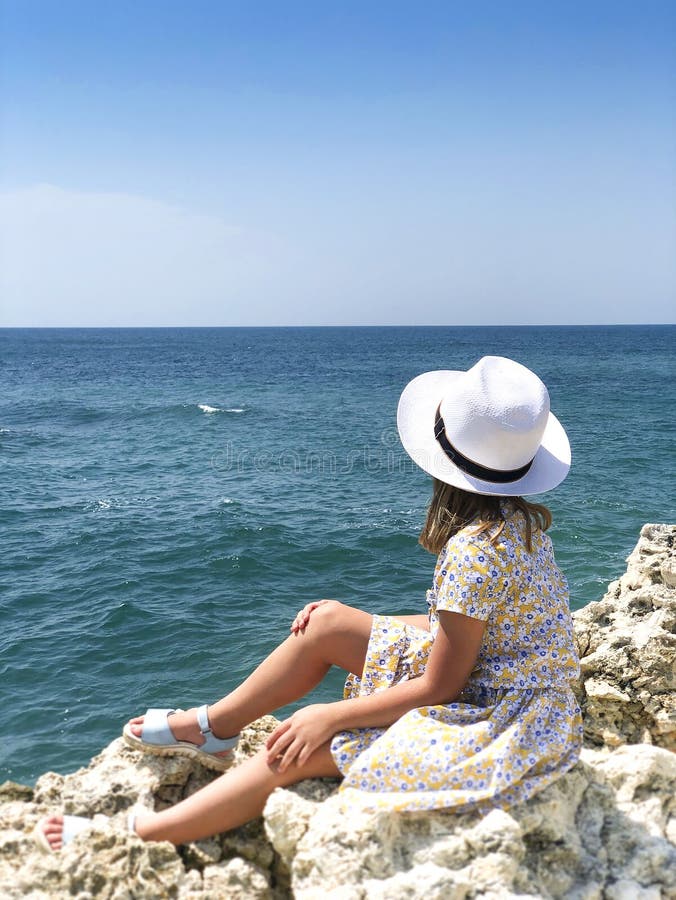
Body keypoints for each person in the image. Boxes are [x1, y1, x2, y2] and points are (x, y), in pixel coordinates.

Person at [36, 355, 583, 852]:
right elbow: (468, 627)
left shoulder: (473, 551)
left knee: (293, 750)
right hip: (504, 681)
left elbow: (443, 685)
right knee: (325, 623)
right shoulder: (516, 528)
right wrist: (360, 622)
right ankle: (215, 728)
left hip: (509, 719)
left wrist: (329, 714)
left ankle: (134, 835)